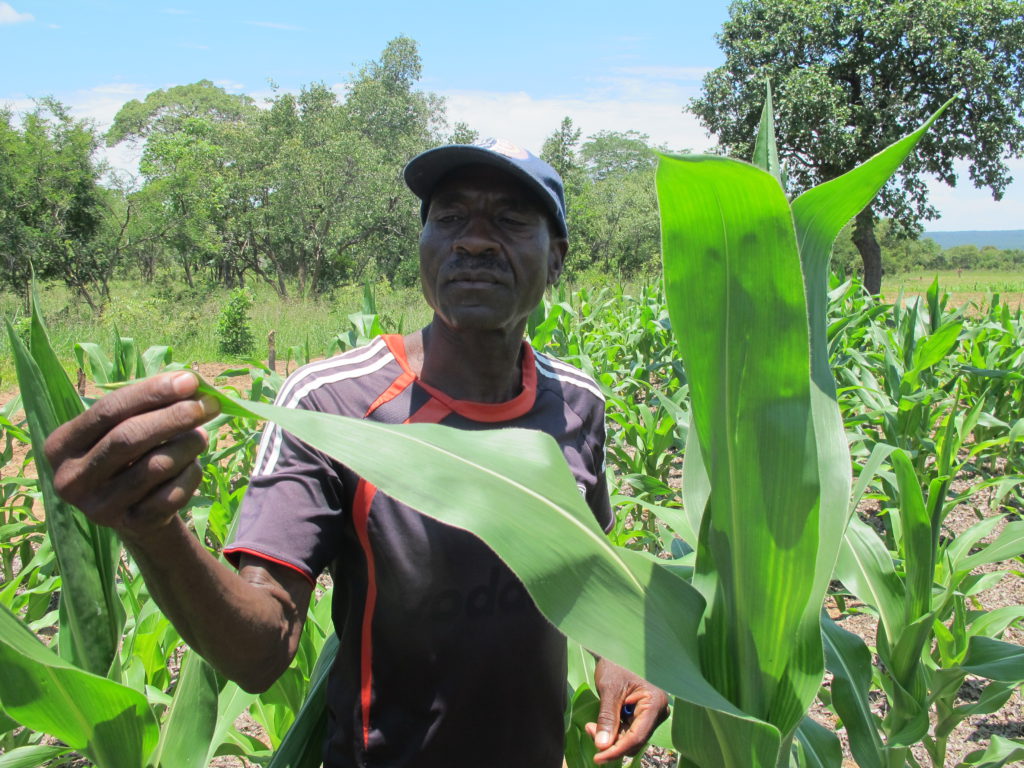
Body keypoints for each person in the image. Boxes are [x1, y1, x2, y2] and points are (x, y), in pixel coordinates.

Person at [45, 138, 668, 767]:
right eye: (449, 217)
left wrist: (623, 653)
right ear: (422, 245)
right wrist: (154, 532)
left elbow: (594, 565)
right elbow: (260, 651)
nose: (474, 240)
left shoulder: (576, 404)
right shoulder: (332, 404)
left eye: (509, 220)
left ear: (556, 257)